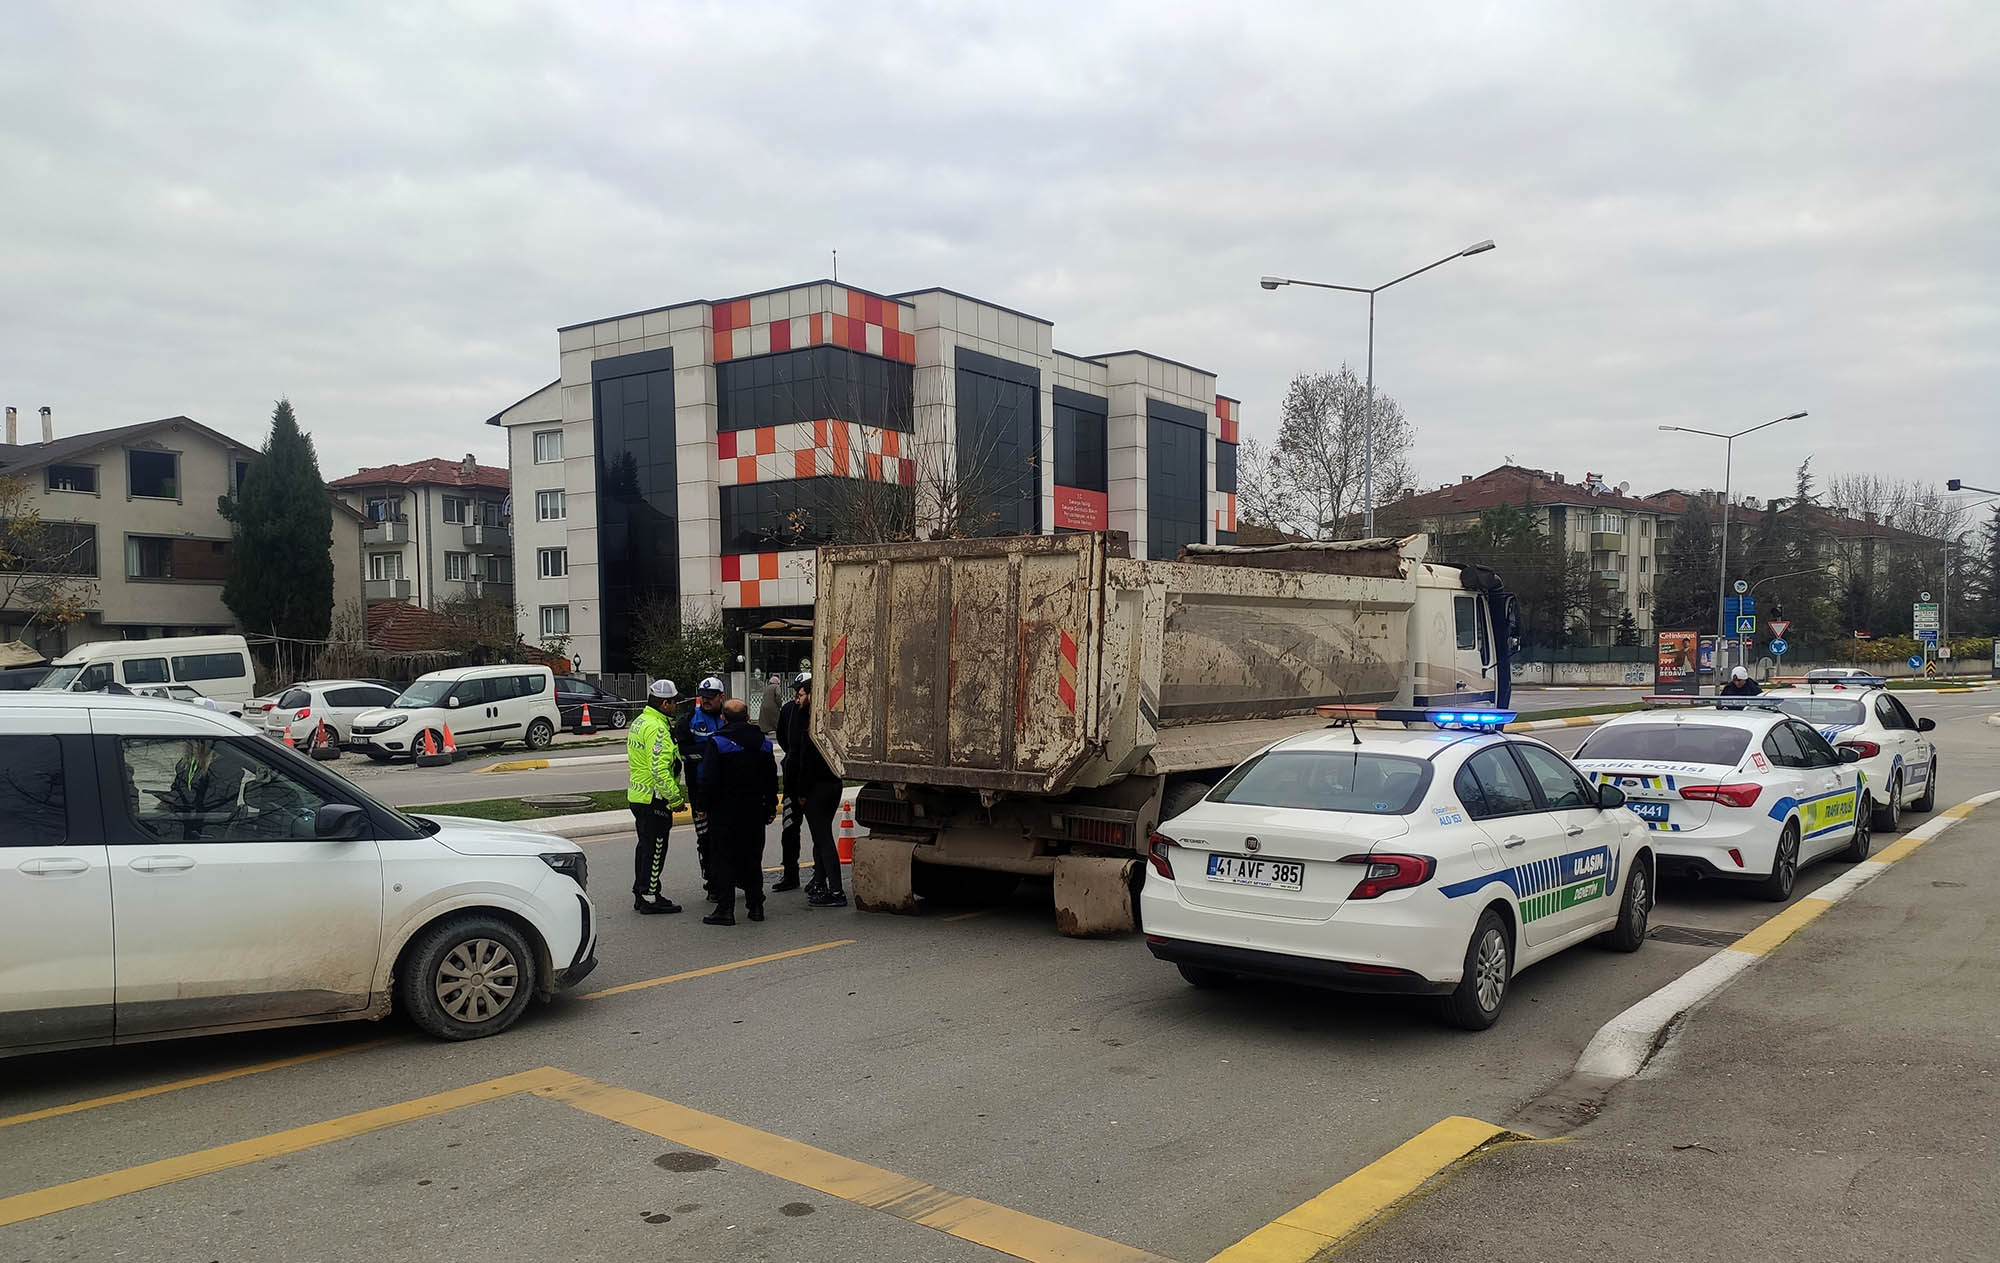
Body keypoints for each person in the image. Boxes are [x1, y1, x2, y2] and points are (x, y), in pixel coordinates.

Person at [696, 698, 778, 926]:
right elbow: (771, 779)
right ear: (747, 718)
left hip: (724, 813)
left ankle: (725, 910)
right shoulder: (763, 743)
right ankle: (756, 907)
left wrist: (702, 806)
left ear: (723, 718)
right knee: (752, 859)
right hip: (754, 812)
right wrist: (770, 806)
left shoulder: (718, 742)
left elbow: (708, 778)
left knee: (724, 860)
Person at [776, 670, 845, 907]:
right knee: (819, 836)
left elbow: (805, 761)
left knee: (823, 838)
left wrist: (802, 792)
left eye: (801, 693)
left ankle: (836, 891)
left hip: (818, 786)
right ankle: (820, 882)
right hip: (829, 784)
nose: (796, 698)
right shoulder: (807, 716)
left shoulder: (813, 725)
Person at [627, 679, 688, 914]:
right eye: (674, 702)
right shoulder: (657, 728)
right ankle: (650, 897)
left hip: (639, 796)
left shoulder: (640, 721)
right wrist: (675, 800)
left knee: (644, 847)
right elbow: (660, 770)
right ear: (665, 703)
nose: (676, 706)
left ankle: (641, 892)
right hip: (655, 799)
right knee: (656, 849)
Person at [673, 676, 728, 903]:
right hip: (700, 789)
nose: (705, 701)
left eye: (710, 697)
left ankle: (732, 878)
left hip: (726, 790)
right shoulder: (688, 721)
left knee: (727, 837)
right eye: (702, 697)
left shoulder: (729, 718)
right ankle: (712, 883)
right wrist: (713, 750)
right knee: (705, 838)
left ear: (721, 697)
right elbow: (684, 753)